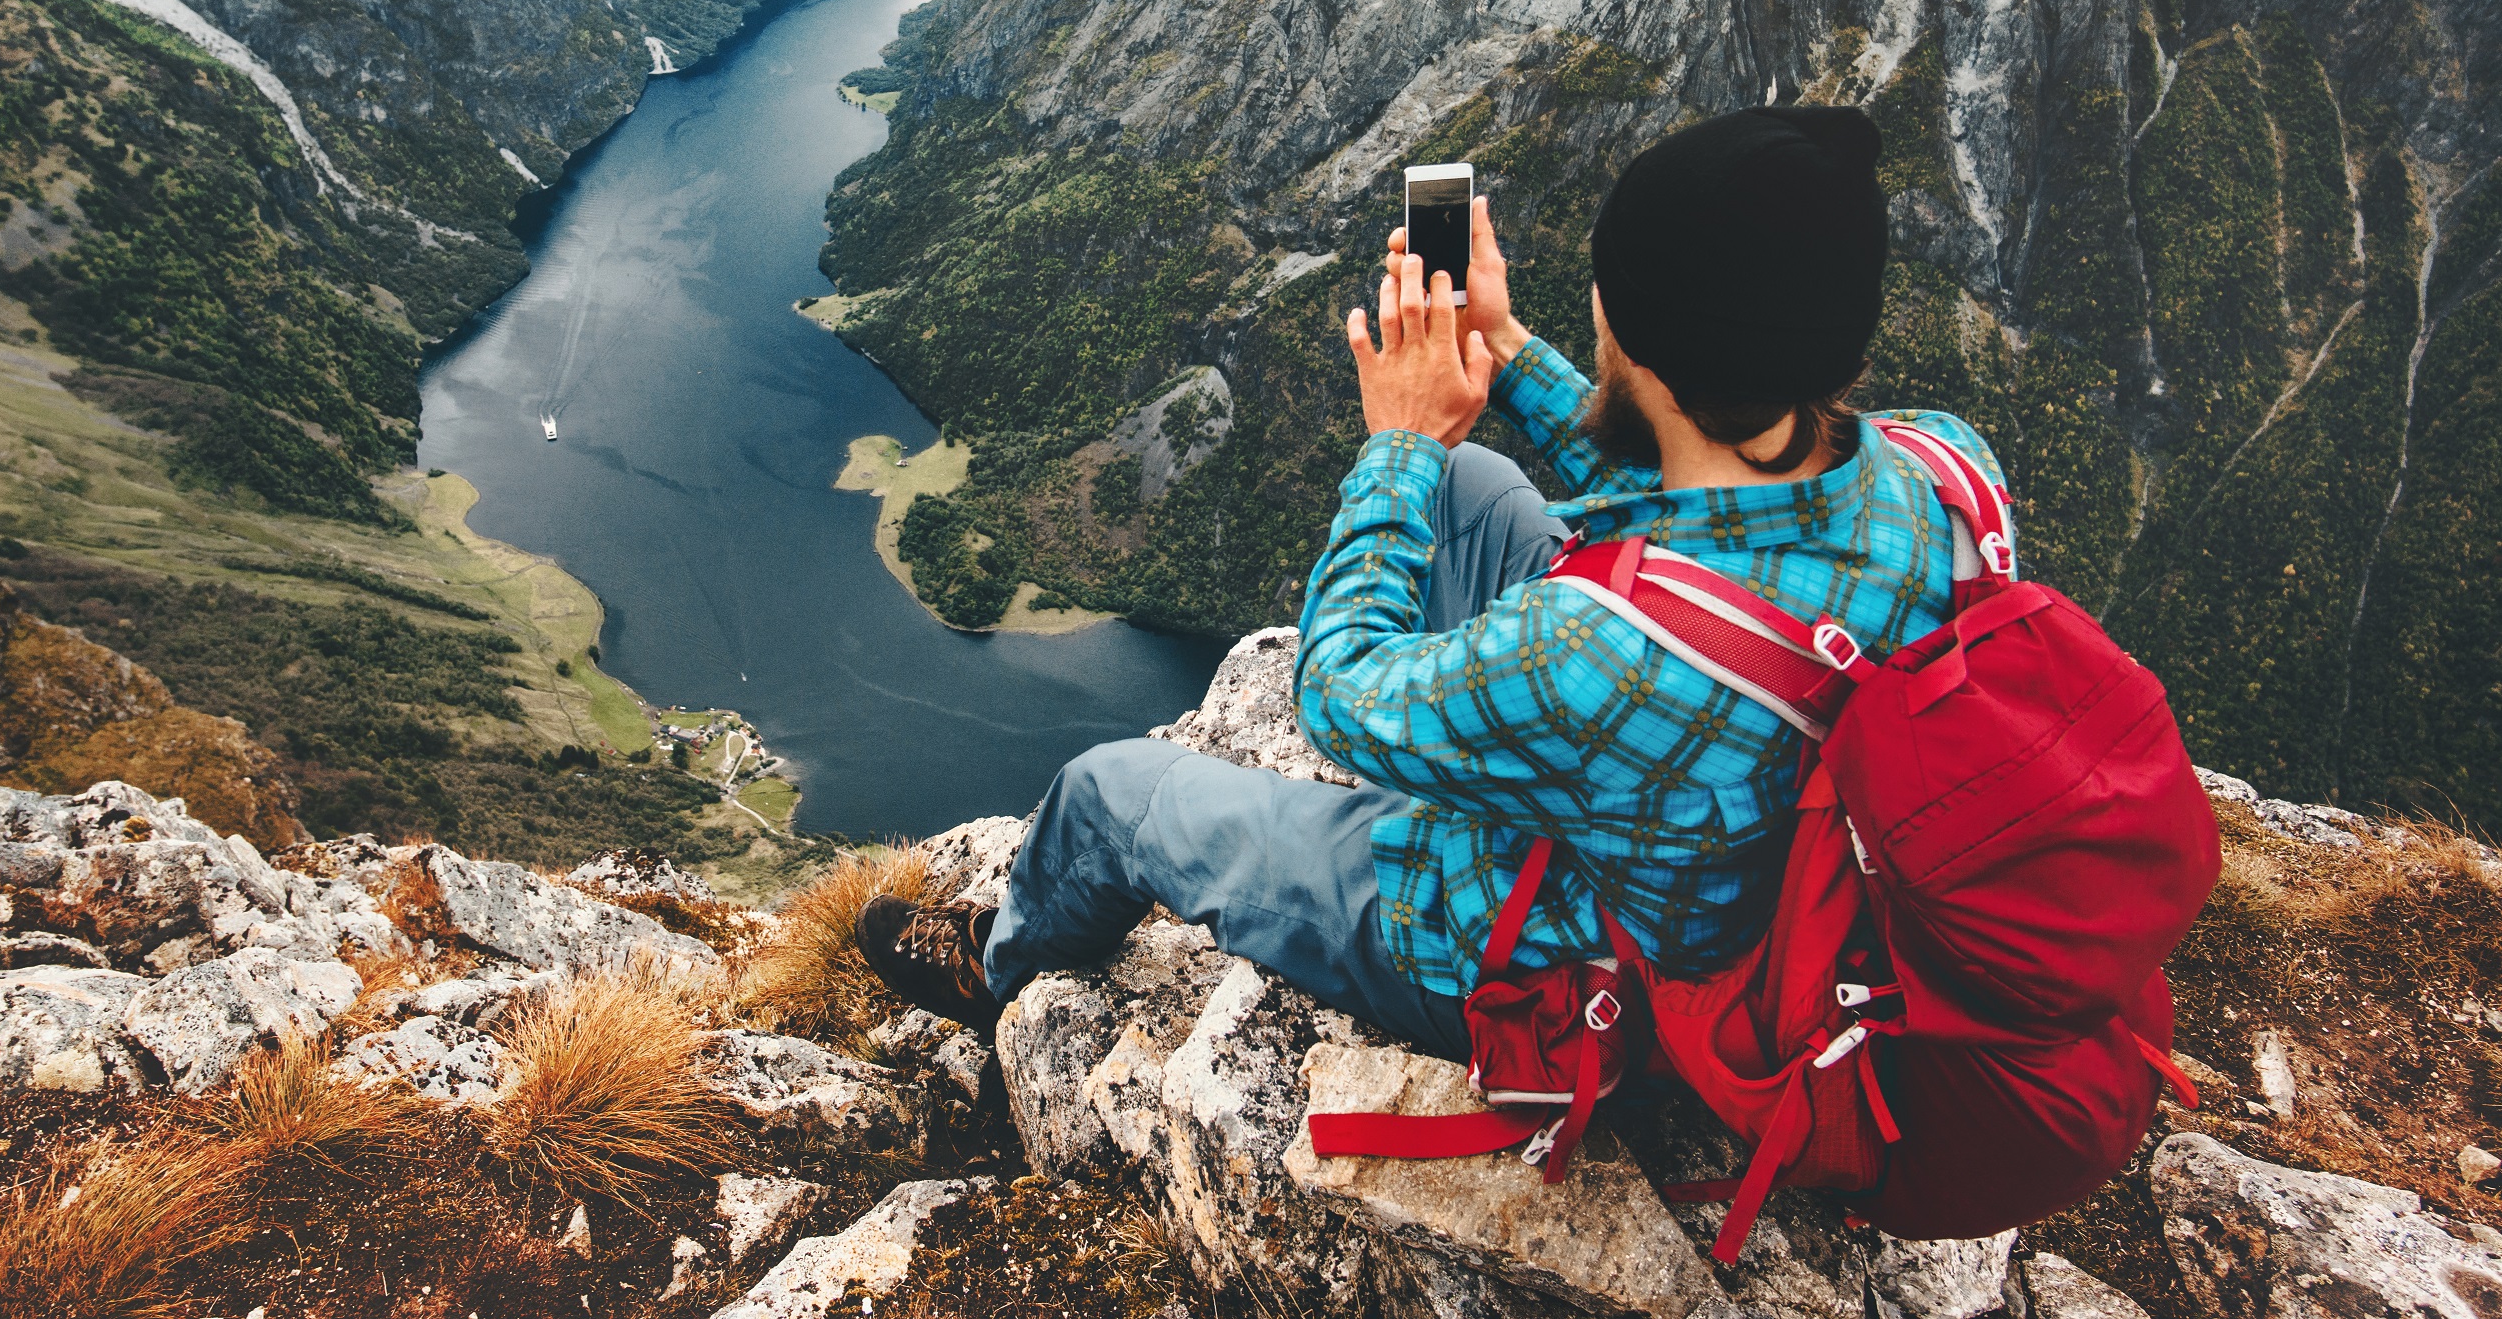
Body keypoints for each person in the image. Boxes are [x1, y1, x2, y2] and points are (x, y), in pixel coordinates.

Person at [856, 105, 2009, 1053]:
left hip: (1563, 967)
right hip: (1760, 856)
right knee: (1476, 498)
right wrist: (1500, 351)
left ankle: (997, 963)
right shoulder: (1940, 465)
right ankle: (1482, 734)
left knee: (1110, 791)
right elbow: (1707, 497)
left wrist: (1400, 445)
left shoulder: (1588, 655)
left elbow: (1339, 694)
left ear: (1633, 333)